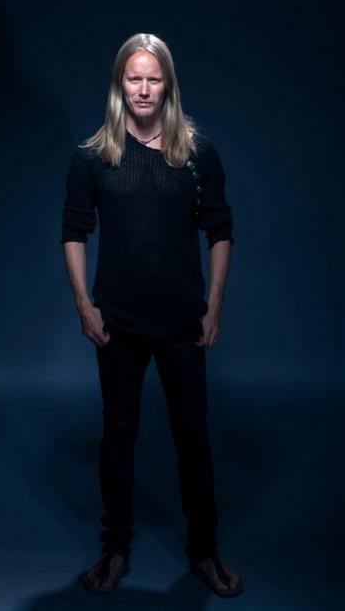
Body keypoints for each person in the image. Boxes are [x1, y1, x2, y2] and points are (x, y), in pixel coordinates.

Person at [60, 32, 244, 598]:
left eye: (153, 79)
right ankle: (114, 549)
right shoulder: (94, 157)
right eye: (134, 78)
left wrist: (214, 306)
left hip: (183, 323)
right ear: (120, 84)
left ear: (168, 85)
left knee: (194, 438)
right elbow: (73, 230)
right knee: (118, 437)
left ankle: (204, 552)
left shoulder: (196, 155)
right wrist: (84, 305)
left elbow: (220, 230)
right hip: (116, 325)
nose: (143, 89)